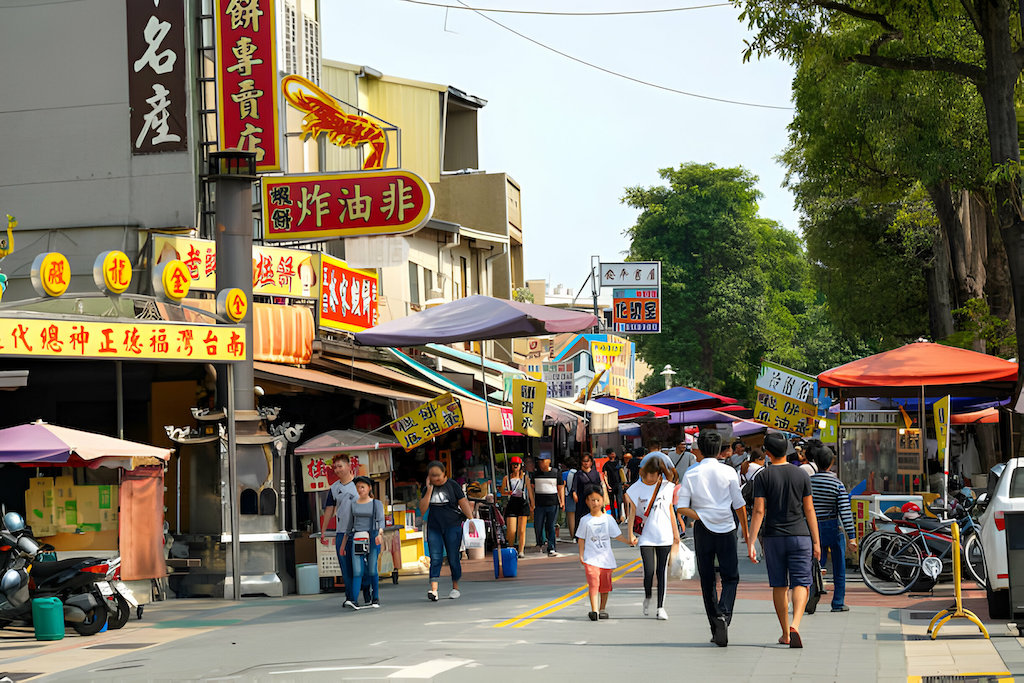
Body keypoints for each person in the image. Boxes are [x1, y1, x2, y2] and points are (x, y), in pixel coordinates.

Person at [676, 430, 749, 647]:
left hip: (703, 529)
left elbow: (681, 507)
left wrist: (700, 515)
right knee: (730, 577)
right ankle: (724, 614)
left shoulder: (691, 473)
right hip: (726, 527)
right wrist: (746, 533)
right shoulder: (728, 472)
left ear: (699, 449)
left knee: (707, 580)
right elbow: (739, 505)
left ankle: (715, 625)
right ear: (719, 450)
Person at [748, 432, 820, 648]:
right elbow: (809, 509)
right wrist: (816, 542)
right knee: (801, 582)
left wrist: (751, 541)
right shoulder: (801, 475)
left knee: (780, 585)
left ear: (767, 453)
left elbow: (759, 511)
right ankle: (795, 625)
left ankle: (785, 633)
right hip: (800, 536)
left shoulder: (763, 476)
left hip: (774, 538)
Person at [625, 456, 680, 620]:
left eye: (654, 474)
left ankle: (661, 607)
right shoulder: (635, 489)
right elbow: (632, 513)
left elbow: (671, 511)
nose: (650, 478)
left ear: (659, 473)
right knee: (649, 571)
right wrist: (630, 535)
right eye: (648, 474)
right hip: (646, 537)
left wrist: (676, 536)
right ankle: (648, 596)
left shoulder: (667, 487)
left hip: (664, 535)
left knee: (661, 571)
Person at [807, 440, 857, 613]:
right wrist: (851, 536)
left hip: (813, 527)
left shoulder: (809, 482)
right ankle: (838, 602)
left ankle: (813, 595)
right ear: (831, 463)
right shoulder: (837, 484)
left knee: (814, 564)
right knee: (839, 566)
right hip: (832, 525)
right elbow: (845, 511)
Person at [418, 460, 475, 601]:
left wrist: (471, 519)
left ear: (444, 473)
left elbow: (463, 503)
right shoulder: (427, 489)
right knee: (435, 557)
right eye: (432, 475)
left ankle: (455, 587)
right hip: (434, 527)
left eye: (438, 475)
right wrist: (429, 490)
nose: (435, 478)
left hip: (453, 526)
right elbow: (423, 509)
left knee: (453, 557)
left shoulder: (452, 485)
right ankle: (434, 589)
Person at [576, 485, 629, 621]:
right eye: (592, 500)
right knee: (593, 583)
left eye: (598, 500)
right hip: (591, 558)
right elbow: (581, 539)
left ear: (603, 501)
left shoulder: (608, 519)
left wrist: (628, 541)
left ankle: (602, 608)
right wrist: (581, 554)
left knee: (605, 585)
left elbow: (617, 535)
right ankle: (594, 610)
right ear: (587, 502)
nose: (595, 503)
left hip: (606, 559)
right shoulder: (585, 520)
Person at [319, 453, 361, 609]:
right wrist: (323, 531)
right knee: (345, 566)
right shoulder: (335, 488)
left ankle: (368, 593)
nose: (337, 469)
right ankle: (350, 597)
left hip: (359, 531)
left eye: (340, 466)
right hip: (341, 532)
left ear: (349, 466)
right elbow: (329, 509)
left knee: (358, 566)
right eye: (335, 467)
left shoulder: (359, 484)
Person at [341, 476, 385, 608]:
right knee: (358, 571)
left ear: (369, 488)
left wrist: (380, 534)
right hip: (357, 538)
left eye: (362, 487)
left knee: (372, 570)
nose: (360, 490)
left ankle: (375, 597)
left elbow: (381, 521)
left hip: (372, 537)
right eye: (358, 487)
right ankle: (354, 599)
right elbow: (349, 525)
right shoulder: (353, 504)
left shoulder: (376, 503)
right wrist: (343, 544)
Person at [529, 454, 564, 556]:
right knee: (538, 525)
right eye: (539, 461)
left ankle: (551, 547)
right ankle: (540, 543)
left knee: (551, 526)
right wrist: (532, 502)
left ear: (548, 461)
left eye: (543, 461)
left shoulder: (556, 472)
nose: (541, 463)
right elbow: (531, 488)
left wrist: (562, 501)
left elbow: (560, 487)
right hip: (539, 504)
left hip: (553, 503)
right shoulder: (535, 474)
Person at [501, 456, 530, 559]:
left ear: (520, 466)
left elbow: (530, 492)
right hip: (512, 503)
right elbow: (502, 492)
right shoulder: (507, 478)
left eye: (517, 465)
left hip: (522, 503)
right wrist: (507, 492)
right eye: (513, 465)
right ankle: (511, 548)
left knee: (522, 530)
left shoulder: (525, 478)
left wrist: (532, 505)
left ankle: (521, 550)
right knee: (511, 531)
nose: (515, 467)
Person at [572, 453, 604, 536]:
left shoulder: (595, 473)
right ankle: (579, 534)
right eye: (584, 461)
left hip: (594, 497)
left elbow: (599, 485)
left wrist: (601, 497)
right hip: (582, 497)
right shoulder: (578, 474)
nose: (586, 463)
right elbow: (574, 486)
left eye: (587, 461)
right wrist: (574, 493)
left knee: (594, 514)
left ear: (591, 462)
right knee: (580, 515)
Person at [602, 448, 626, 523]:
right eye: (611, 453)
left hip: (618, 484)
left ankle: (619, 516)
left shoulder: (618, 463)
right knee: (611, 501)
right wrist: (607, 485)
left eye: (613, 453)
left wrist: (623, 483)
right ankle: (614, 517)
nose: (613, 455)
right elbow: (605, 475)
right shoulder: (606, 465)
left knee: (619, 501)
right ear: (608, 455)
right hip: (611, 485)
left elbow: (622, 473)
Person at [563, 459, 578, 542]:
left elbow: (562, 486)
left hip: (568, 496)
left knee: (571, 516)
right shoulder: (579, 473)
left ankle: (573, 535)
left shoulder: (564, 474)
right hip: (578, 496)